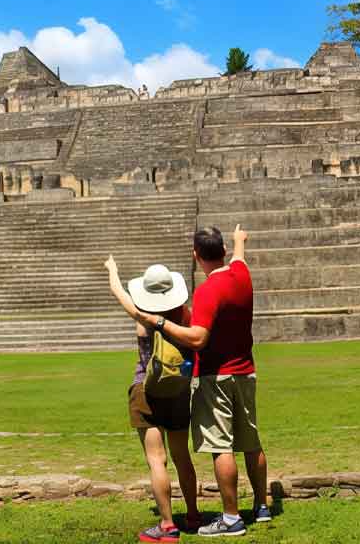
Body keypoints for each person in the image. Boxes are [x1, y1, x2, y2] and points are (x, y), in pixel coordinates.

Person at [116, 225, 269, 538]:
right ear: (224, 250)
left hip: (211, 377)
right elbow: (240, 257)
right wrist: (240, 240)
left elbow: (198, 338)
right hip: (244, 372)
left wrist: (156, 320)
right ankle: (259, 507)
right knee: (249, 442)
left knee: (217, 448)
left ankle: (224, 518)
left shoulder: (205, 293)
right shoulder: (242, 274)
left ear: (196, 255)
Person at [106, 259, 201, 543]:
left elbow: (118, 291)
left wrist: (112, 270)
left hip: (146, 391)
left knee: (156, 460)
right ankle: (194, 514)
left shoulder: (142, 315)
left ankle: (168, 524)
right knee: (181, 456)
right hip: (179, 391)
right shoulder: (185, 316)